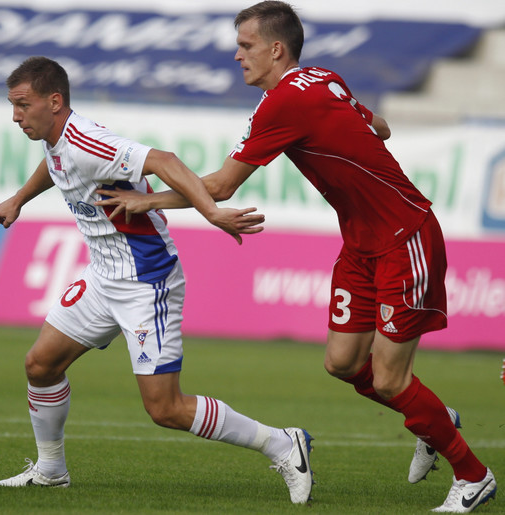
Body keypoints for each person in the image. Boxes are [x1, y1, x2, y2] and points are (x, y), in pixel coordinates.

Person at [96, 2, 497, 513]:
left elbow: (218, 186)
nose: (238, 55)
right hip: (361, 244)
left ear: (276, 49)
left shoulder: (284, 102)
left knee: (392, 377)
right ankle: (436, 419)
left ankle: (474, 476)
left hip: (405, 236)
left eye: (246, 46)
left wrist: (147, 200)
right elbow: (383, 128)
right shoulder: (323, 78)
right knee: (343, 363)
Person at [0, 56, 315, 505]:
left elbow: (164, 160)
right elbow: (56, 162)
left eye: (22, 105)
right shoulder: (57, 137)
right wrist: (20, 199)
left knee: (166, 409)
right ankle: (50, 471)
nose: (15, 116)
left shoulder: (89, 142)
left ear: (54, 100)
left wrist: (212, 212)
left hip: (146, 281)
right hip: (104, 277)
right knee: (40, 365)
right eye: (12, 105)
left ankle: (282, 443)